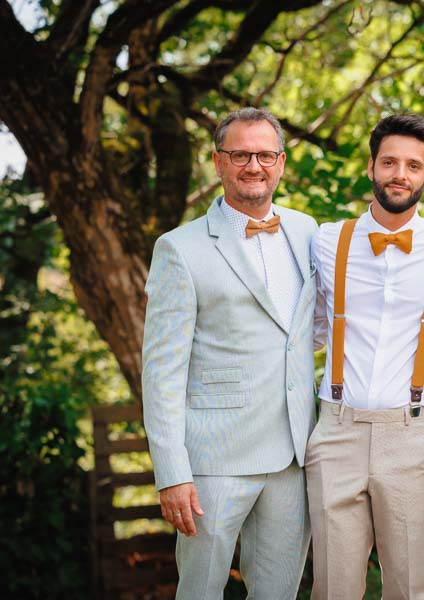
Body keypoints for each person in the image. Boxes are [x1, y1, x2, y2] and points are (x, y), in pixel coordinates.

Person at [142, 107, 318, 599]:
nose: (253, 165)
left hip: (293, 455)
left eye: (264, 154)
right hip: (213, 460)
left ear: (281, 162)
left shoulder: (309, 233)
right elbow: (161, 372)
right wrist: (172, 473)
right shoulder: (179, 248)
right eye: (240, 154)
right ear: (218, 162)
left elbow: (311, 331)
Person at [307, 114, 424, 599]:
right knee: (334, 587)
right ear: (371, 166)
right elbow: (303, 328)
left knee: (408, 587)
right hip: (336, 432)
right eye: (389, 161)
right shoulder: (326, 240)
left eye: (413, 165)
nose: (400, 173)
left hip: (411, 433)